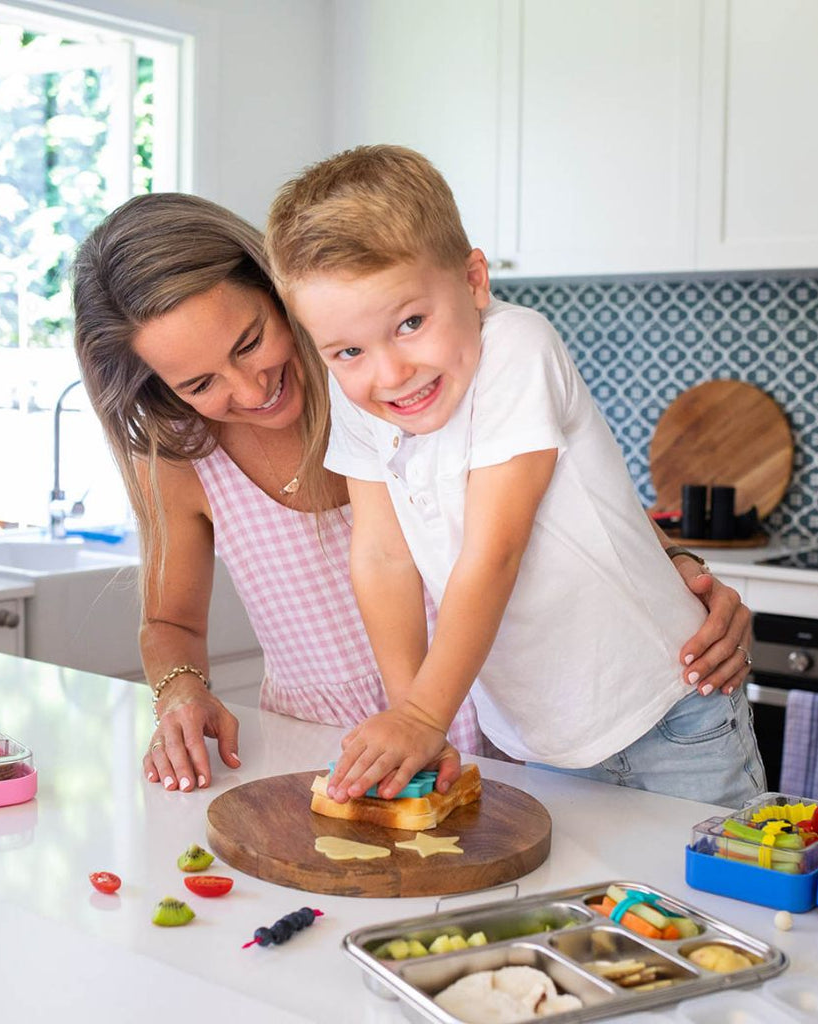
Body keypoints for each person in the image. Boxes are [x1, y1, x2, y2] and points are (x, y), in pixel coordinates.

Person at [72, 191, 751, 795]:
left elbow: (534, 515)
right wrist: (178, 690)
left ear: (278, 289)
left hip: (505, 724)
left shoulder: (420, 373)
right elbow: (374, 560)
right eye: (199, 384)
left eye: (251, 343)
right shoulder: (203, 450)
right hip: (369, 746)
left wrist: (677, 573)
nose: (249, 391)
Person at [265, 145, 765, 807]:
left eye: (411, 323)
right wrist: (409, 704)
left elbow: (495, 550)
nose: (388, 374)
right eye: (349, 350)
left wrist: (422, 718)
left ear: (474, 281)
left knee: (719, 895)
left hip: (670, 707)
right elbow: (384, 556)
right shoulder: (360, 399)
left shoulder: (516, 348)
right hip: (542, 739)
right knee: (589, 907)